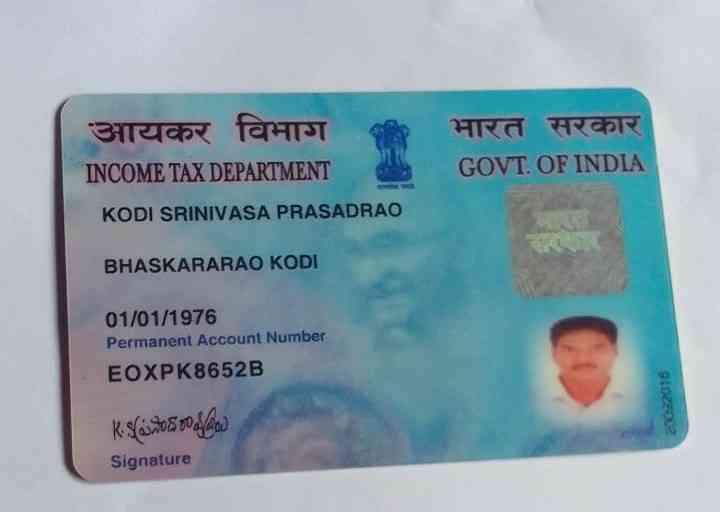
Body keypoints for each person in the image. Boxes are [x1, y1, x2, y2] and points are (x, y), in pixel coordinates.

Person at [548, 316, 626, 420]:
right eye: (569, 349)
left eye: (597, 348)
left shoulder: (638, 400)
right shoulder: (530, 401)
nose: (583, 359)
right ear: (554, 353)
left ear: (615, 350)